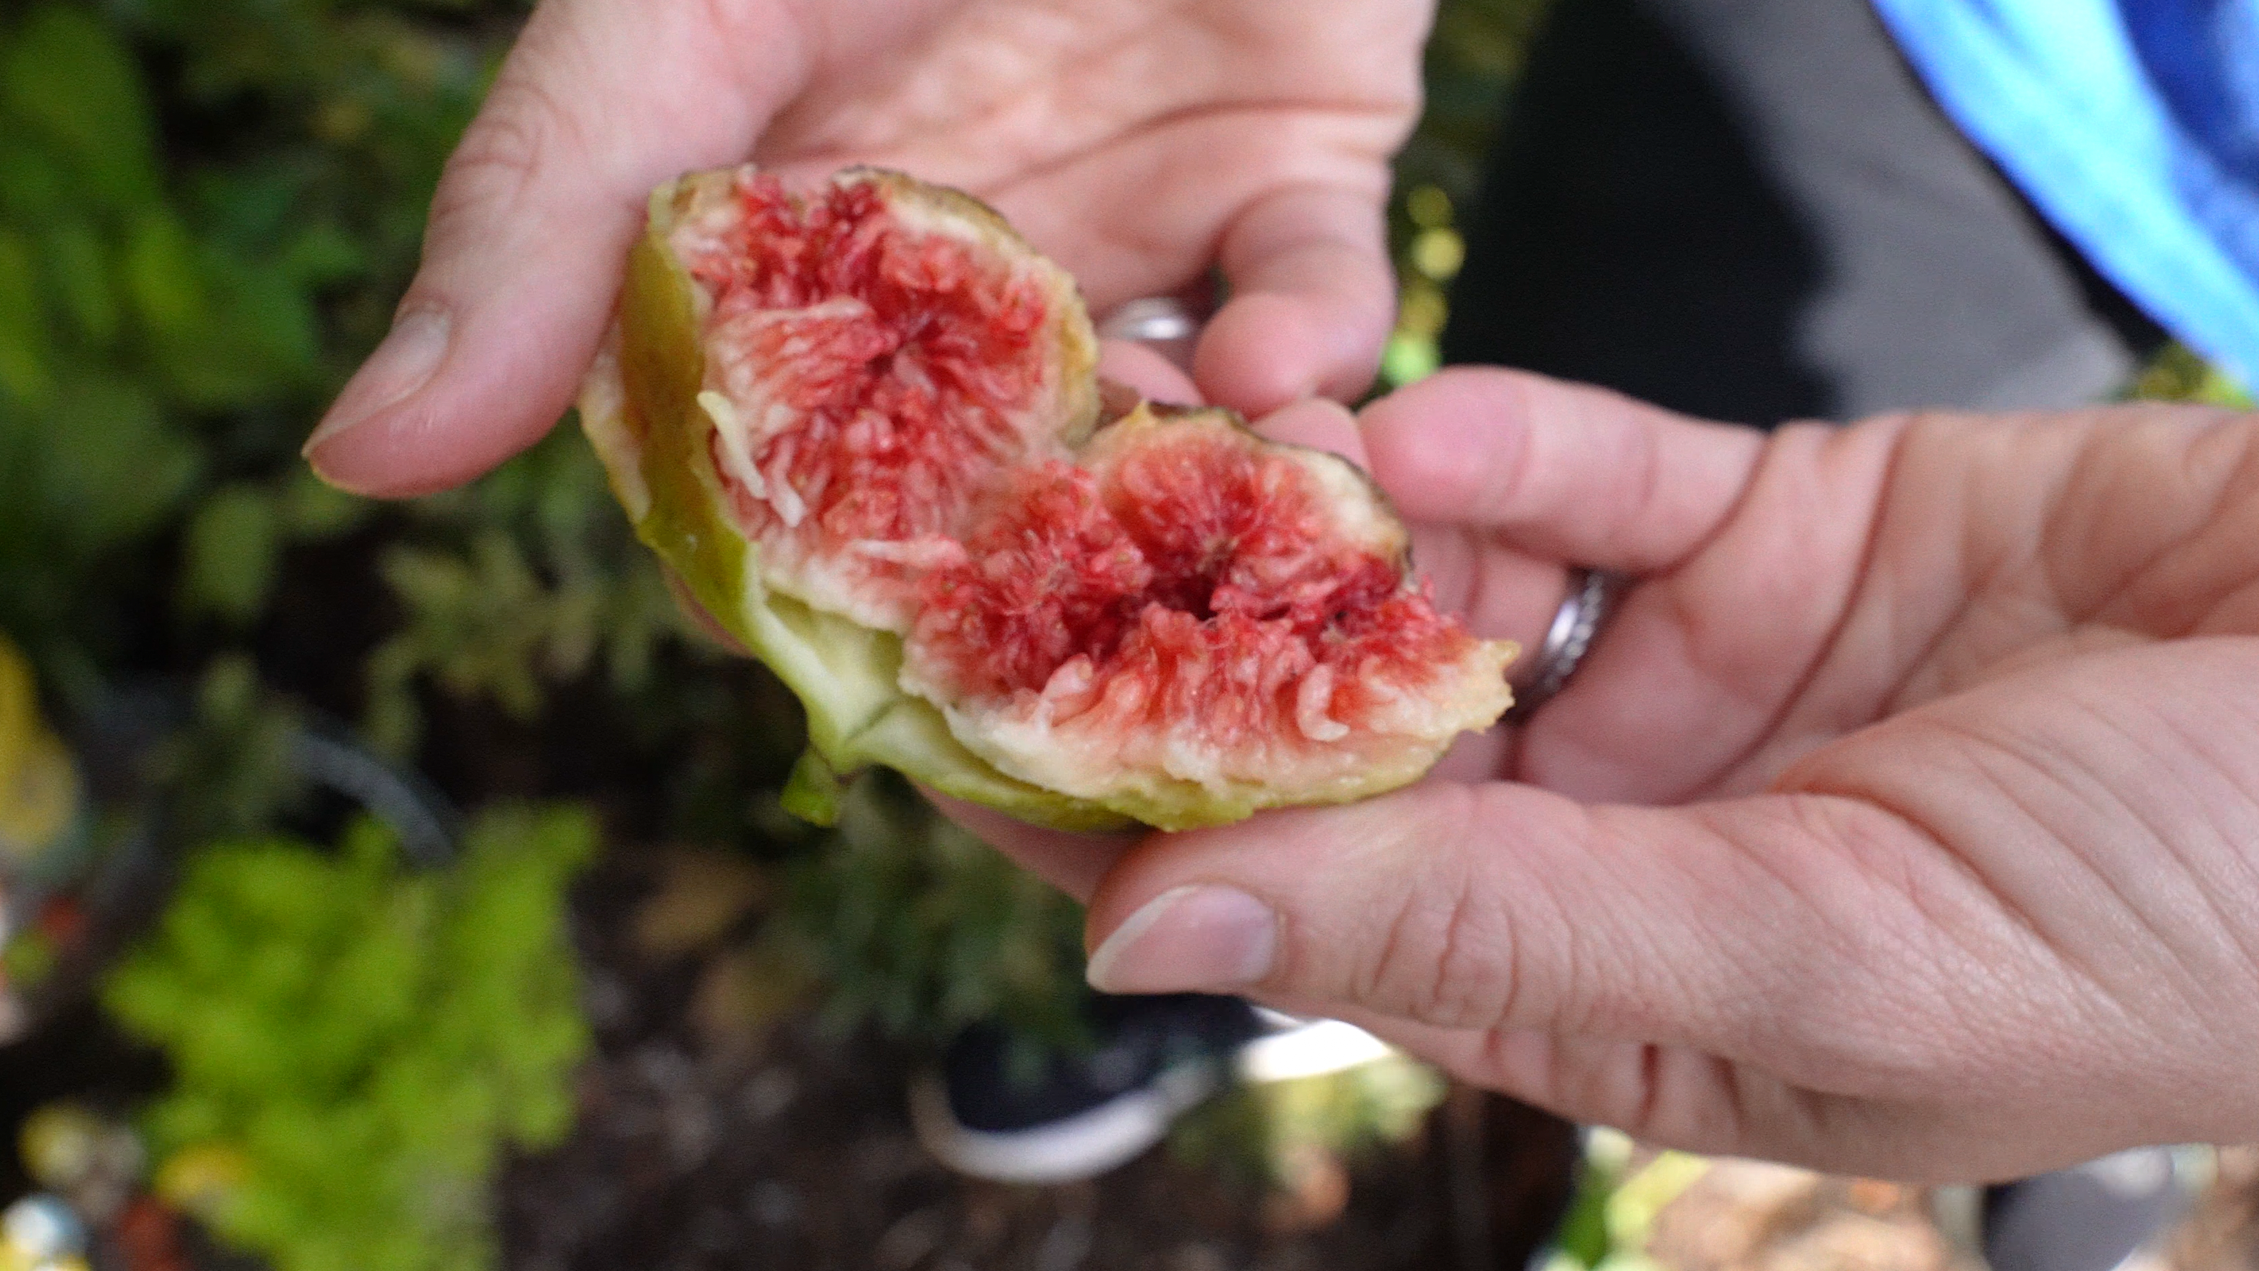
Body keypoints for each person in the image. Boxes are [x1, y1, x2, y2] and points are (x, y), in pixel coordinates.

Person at [304, 0, 2259, 1189]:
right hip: (1957, 26)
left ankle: (1275, 965)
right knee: (1562, 470)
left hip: (2181, 192)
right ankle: (1285, 953)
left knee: (1827, 667)